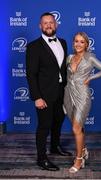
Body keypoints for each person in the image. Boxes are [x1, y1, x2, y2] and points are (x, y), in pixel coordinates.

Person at [26, 12, 71, 171]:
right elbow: (31, 74)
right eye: (45, 23)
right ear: (40, 26)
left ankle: (55, 147)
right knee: (44, 126)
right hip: (44, 94)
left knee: (58, 121)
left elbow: (63, 69)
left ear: (56, 24)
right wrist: (37, 97)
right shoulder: (33, 46)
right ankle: (41, 158)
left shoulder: (64, 43)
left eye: (51, 22)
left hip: (61, 91)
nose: (48, 25)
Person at [64, 32, 101, 173]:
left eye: (82, 42)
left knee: (76, 128)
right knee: (77, 126)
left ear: (87, 44)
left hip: (82, 95)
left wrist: (91, 77)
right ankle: (83, 150)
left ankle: (78, 159)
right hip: (68, 94)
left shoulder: (90, 57)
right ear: (73, 43)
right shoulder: (69, 58)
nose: (78, 44)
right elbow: (66, 78)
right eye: (76, 41)